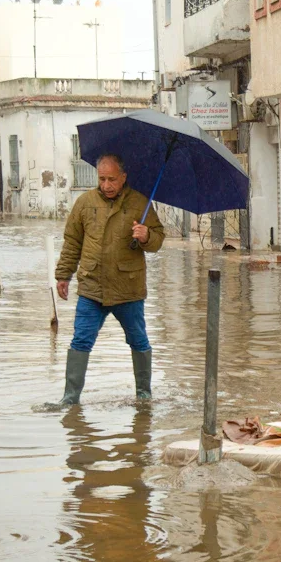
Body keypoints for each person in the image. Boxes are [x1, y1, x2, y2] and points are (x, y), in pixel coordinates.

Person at [54, 154, 166, 405]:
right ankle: (70, 399)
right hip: (92, 287)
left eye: (112, 179)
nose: (106, 185)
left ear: (123, 177)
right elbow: (72, 242)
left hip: (128, 289)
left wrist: (146, 235)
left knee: (138, 339)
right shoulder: (84, 203)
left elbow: (158, 240)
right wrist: (63, 275)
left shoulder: (140, 203)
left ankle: (144, 395)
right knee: (80, 339)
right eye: (102, 179)